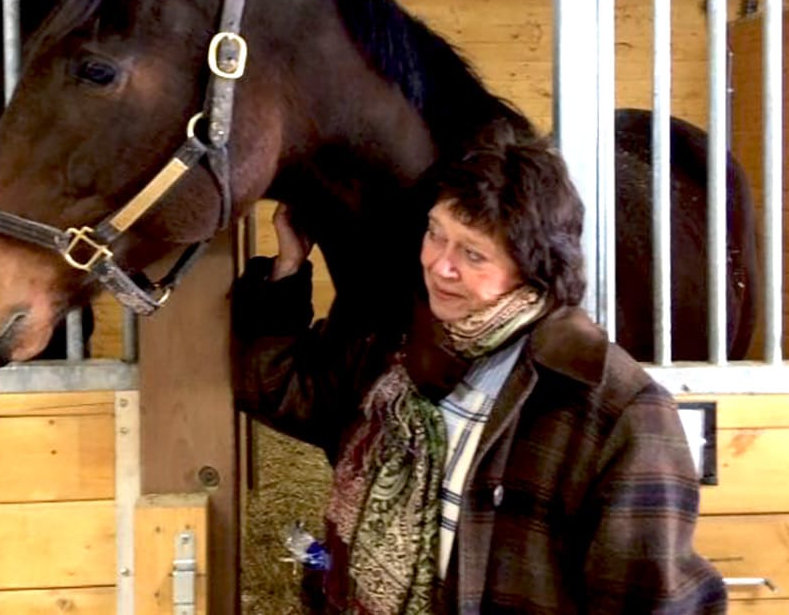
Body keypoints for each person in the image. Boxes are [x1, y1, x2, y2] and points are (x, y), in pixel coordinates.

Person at [232, 132, 727, 614]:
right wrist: (289, 266)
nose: (438, 266)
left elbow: (655, 601)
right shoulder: (397, 348)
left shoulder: (614, 411)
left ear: (533, 266)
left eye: (472, 254)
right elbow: (280, 391)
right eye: (435, 233)